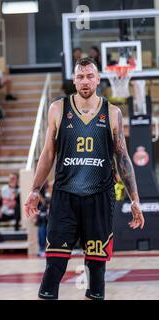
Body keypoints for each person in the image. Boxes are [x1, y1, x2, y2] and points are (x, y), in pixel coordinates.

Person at [24, 57, 145, 301]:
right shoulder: (58, 108)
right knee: (53, 269)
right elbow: (48, 153)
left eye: (90, 76)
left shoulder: (112, 112)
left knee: (97, 273)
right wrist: (35, 189)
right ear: (74, 80)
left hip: (100, 197)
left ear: (99, 79)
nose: (85, 81)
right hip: (64, 197)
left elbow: (122, 157)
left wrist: (134, 199)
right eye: (80, 76)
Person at [0, 173, 20, 243]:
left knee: (17, 206)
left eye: (13, 178)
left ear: (17, 180)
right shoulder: (4, 189)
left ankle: (17, 227)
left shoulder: (20, 190)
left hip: (16, 213)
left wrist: (15, 201)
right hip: (5, 212)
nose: (11, 180)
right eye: (10, 178)